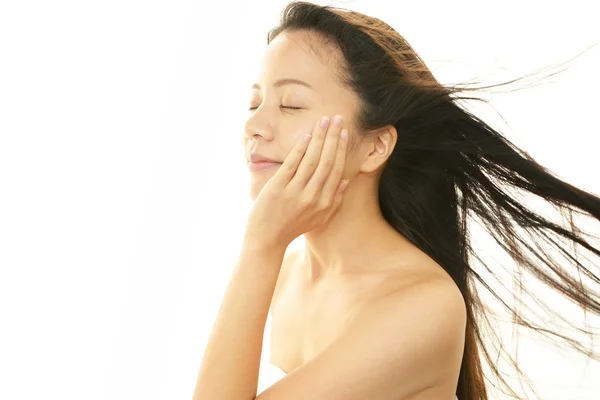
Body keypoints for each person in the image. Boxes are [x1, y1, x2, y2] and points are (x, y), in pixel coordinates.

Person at [193, 2, 600, 399]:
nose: (253, 125)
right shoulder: (285, 276)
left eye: (291, 105)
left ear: (375, 146)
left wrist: (261, 245)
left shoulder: (422, 306)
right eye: (254, 103)